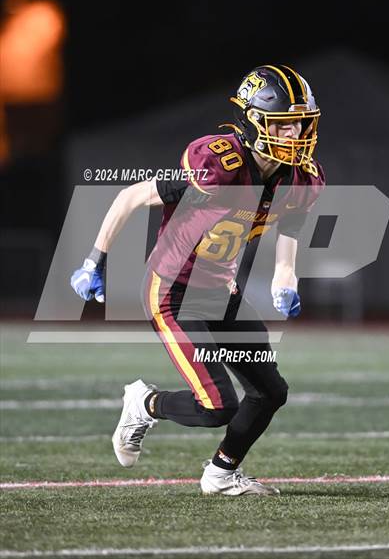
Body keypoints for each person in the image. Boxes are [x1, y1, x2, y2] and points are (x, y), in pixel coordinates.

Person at [70, 64, 325, 496]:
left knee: (270, 391)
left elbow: (291, 226)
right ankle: (144, 403)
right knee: (217, 406)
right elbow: (131, 196)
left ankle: (221, 474)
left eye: (301, 123)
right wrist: (94, 260)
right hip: (173, 291)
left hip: (222, 291)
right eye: (284, 124)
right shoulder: (219, 166)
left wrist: (286, 276)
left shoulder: (301, 178)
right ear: (255, 121)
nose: (295, 134)